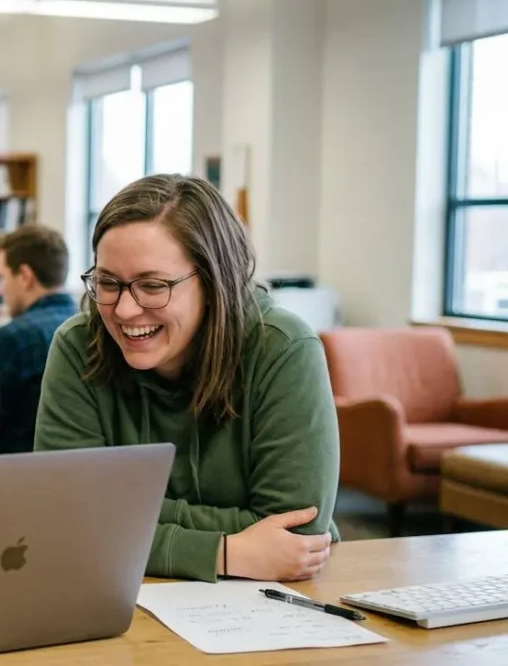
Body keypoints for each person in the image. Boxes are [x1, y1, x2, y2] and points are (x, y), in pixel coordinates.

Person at [34, 174, 340, 584]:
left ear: (214, 282)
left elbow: (296, 535)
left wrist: (115, 511)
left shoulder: (284, 349)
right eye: (108, 283)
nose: (124, 310)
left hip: (269, 600)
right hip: (121, 591)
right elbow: (62, 518)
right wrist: (224, 551)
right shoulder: (78, 345)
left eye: (153, 286)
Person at [0, 224, 77, 455]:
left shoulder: (12, 339)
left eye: (2, 278)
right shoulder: (86, 325)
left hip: (14, 474)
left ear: (25, 276)